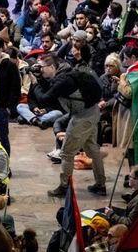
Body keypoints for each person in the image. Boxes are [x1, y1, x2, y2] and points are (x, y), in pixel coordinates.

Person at [37, 53, 107, 197]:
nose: (41, 70)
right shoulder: (67, 75)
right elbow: (52, 89)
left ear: (51, 67)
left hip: (82, 116)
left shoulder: (63, 82)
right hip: (92, 111)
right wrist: (39, 77)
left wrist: (36, 80)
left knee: (66, 153)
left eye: (42, 67)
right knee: (93, 150)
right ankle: (100, 185)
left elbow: (45, 98)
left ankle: (64, 187)